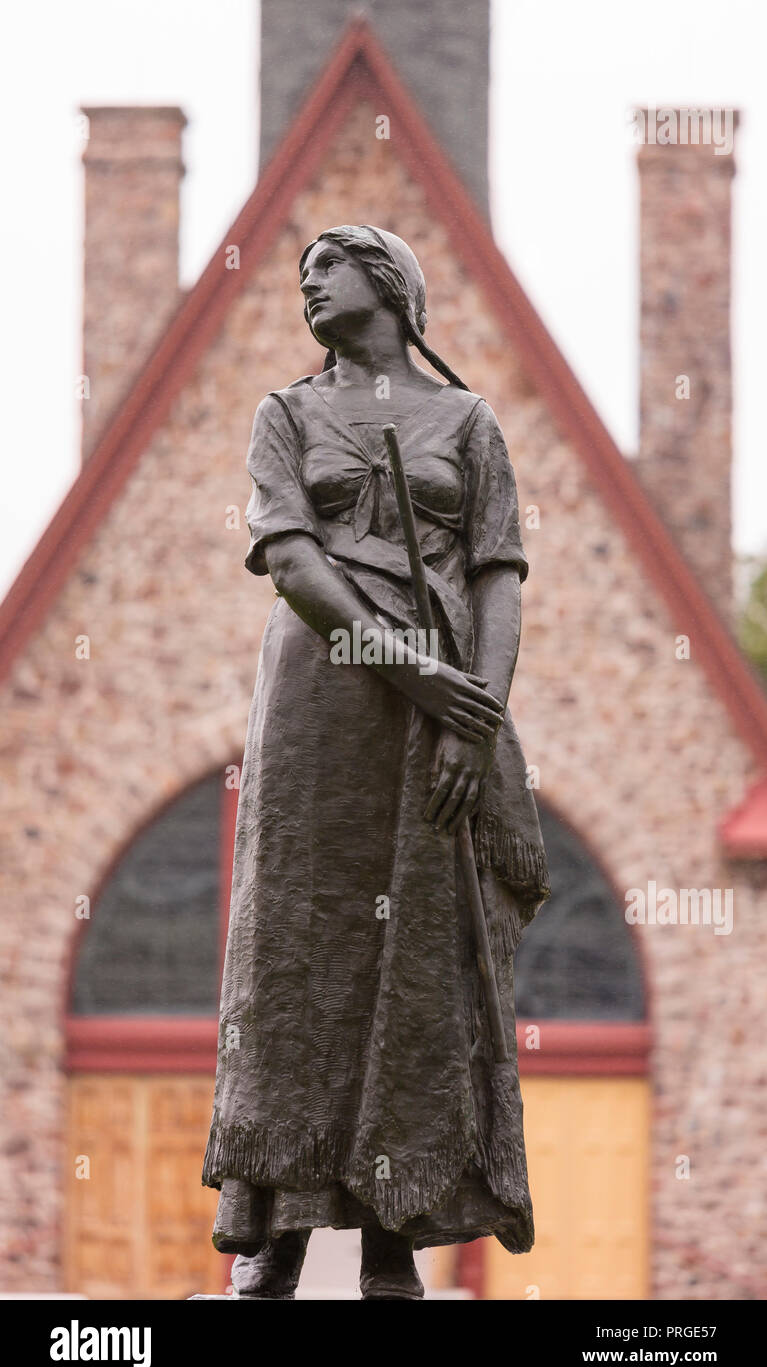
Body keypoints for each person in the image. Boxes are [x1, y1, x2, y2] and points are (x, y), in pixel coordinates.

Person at [202, 225, 549, 1300]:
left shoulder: (467, 422)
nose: (308, 281)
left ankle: (396, 1234)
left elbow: (496, 574)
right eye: (301, 271)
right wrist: (414, 672)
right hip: (325, 699)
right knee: (295, 953)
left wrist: (472, 715)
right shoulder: (286, 415)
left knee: (420, 964)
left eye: (328, 264)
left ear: (390, 284)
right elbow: (294, 562)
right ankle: (279, 1228)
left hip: (443, 715)